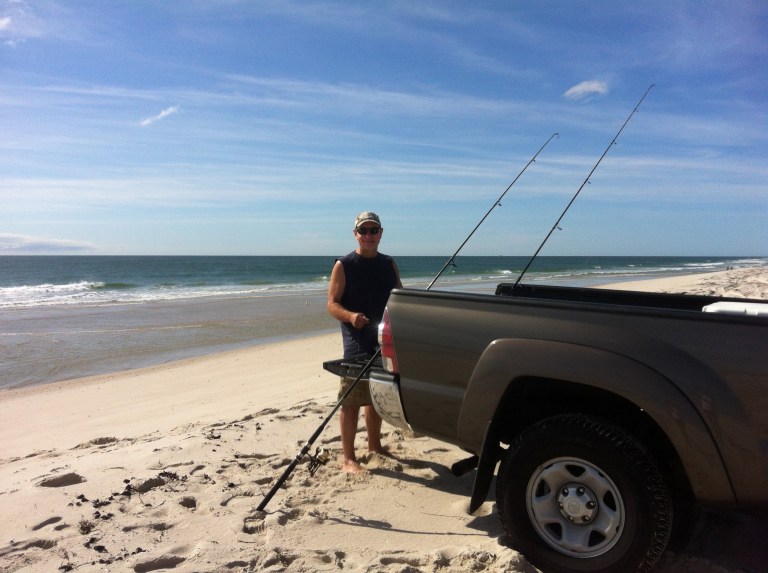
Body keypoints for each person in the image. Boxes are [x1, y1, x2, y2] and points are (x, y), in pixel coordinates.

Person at [327, 211, 402, 473]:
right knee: (351, 399)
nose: (368, 236)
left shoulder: (389, 263)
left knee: (376, 395)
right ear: (355, 234)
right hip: (356, 342)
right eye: (364, 231)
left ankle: (374, 446)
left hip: (384, 340)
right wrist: (350, 316)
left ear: (381, 233)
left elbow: (400, 299)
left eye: (374, 231)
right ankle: (349, 458)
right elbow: (332, 304)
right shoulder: (344, 265)